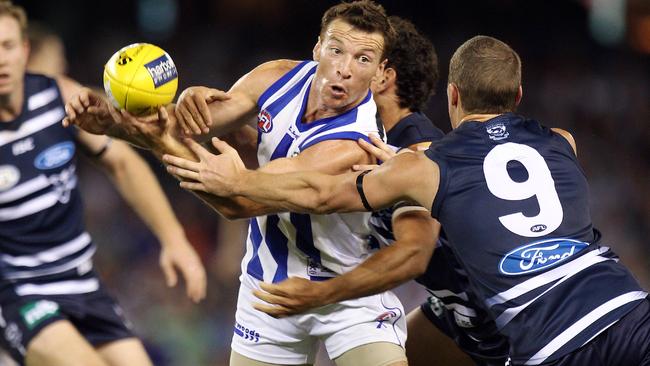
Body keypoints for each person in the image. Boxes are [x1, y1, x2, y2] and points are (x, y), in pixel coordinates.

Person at [162, 35, 650, 366]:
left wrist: (238, 184)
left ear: (453, 96)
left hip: (552, 339)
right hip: (629, 307)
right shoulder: (563, 140)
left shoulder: (427, 163)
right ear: (518, 94)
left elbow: (320, 192)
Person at [64, 1, 419, 365]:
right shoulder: (276, 76)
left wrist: (157, 142)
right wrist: (111, 122)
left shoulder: (352, 145)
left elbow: (239, 201)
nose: (344, 69)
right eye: (336, 50)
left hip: (346, 290)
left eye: (363, 59)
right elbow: (184, 126)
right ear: (317, 48)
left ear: (380, 72)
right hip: (268, 284)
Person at [0, 2, 207, 365]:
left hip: (82, 282)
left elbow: (123, 164)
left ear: (25, 50)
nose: (1, 59)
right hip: (16, 291)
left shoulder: (57, 94)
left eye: (8, 46)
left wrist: (174, 239)